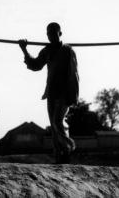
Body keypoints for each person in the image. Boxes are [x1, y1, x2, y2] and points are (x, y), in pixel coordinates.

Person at [19, 22, 79, 163]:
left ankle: (68, 146)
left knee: (57, 121)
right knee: (53, 125)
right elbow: (35, 65)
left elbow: (74, 74)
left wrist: (73, 95)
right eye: (48, 33)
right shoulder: (47, 51)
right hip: (51, 92)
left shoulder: (68, 51)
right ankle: (60, 156)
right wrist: (24, 49)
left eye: (53, 33)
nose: (51, 36)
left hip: (65, 92)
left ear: (60, 33)